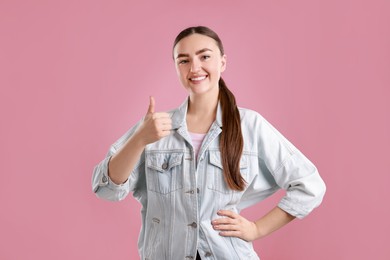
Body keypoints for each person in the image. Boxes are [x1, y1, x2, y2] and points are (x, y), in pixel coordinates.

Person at [92, 26, 326, 260]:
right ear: (175, 66)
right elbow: (106, 190)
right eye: (183, 60)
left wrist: (257, 229)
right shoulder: (153, 128)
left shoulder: (250, 126)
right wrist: (139, 140)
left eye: (204, 56)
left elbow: (309, 186)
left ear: (222, 62)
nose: (194, 68)